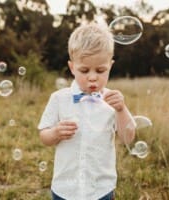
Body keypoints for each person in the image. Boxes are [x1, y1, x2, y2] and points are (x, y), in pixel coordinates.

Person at [37, 23, 137, 200]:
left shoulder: (112, 102)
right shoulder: (59, 99)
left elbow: (128, 138)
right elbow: (44, 136)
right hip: (65, 189)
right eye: (84, 70)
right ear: (72, 67)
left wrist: (121, 110)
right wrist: (55, 133)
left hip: (101, 189)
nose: (92, 77)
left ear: (110, 66)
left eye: (100, 70)